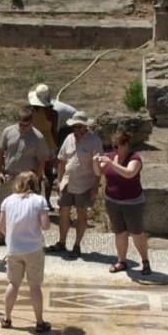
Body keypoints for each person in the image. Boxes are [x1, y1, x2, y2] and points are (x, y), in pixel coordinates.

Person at [0, 107, 49, 247]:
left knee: (25, 210)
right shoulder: (8, 131)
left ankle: (22, 237)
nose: (22, 128)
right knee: (3, 206)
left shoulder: (38, 138)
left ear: (31, 122)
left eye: (25, 125)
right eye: (20, 124)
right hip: (8, 176)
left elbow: (41, 161)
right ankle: (1, 235)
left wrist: (36, 179)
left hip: (25, 180)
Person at [0, 171, 51, 333]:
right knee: (34, 286)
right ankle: (40, 322)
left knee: (13, 284)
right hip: (34, 249)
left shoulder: (7, 201)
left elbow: (1, 227)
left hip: (13, 249)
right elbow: (46, 225)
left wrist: (12, 239)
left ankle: (7, 318)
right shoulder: (39, 201)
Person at [93, 132, 152, 275]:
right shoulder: (111, 157)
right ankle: (121, 261)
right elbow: (98, 172)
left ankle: (145, 261)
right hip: (113, 200)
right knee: (119, 233)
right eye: (112, 146)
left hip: (132, 202)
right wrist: (95, 161)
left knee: (137, 233)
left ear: (126, 145)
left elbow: (129, 173)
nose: (114, 149)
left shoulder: (135, 158)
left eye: (116, 146)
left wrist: (111, 163)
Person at [47, 111, 103, 258]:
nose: (76, 130)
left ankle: (77, 245)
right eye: (74, 127)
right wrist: (59, 181)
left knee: (81, 215)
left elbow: (98, 167)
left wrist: (96, 187)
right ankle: (61, 242)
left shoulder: (94, 141)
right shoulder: (69, 138)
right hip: (67, 182)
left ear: (85, 127)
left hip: (85, 184)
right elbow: (62, 161)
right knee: (63, 213)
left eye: (79, 127)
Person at [28, 84, 59, 210]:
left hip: (34, 144)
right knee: (49, 174)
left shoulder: (30, 112)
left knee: (35, 173)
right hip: (49, 144)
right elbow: (54, 131)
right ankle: (46, 200)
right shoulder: (53, 113)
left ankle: (35, 198)